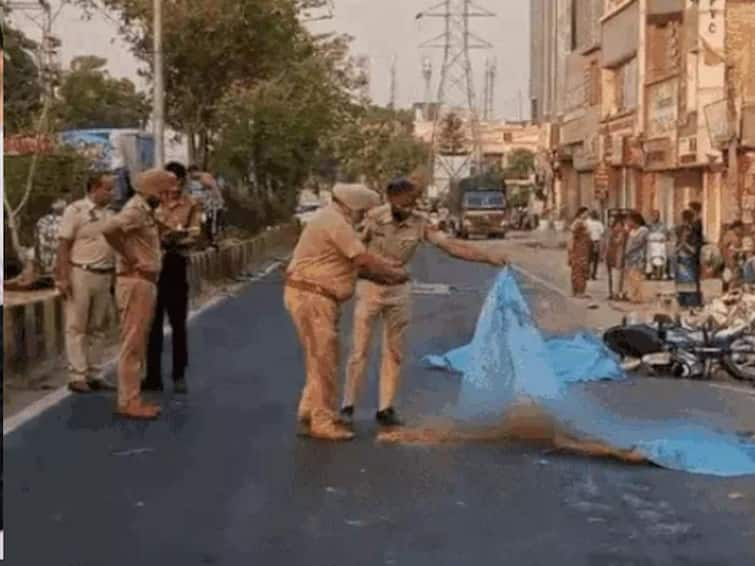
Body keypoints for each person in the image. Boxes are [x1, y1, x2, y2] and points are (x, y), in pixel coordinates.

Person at [340, 177, 508, 429]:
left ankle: (385, 408)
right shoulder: (373, 218)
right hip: (370, 288)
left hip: (399, 291)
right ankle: (347, 405)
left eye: (413, 202)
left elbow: (450, 246)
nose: (411, 206)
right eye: (406, 201)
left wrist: (488, 257)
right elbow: (351, 250)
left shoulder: (420, 223)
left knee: (394, 351)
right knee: (359, 351)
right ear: (391, 199)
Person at [285, 184, 409, 441]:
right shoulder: (336, 223)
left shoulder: (329, 219)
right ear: (354, 208)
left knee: (317, 357)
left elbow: (350, 265)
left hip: (310, 294)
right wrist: (394, 273)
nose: (365, 218)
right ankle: (323, 421)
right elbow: (362, 259)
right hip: (314, 296)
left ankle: (310, 410)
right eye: (364, 212)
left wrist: (382, 275)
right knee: (325, 359)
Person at [101, 169, 178, 419]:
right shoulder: (135, 210)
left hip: (143, 282)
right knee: (132, 344)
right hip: (136, 282)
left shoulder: (144, 210)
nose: (170, 194)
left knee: (137, 342)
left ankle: (131, 397)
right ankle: (128, 402)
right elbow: (110, 229)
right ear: (154, 189)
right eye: (166, 189)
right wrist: (131, 257)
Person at [55, 172, 117, 393]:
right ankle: (77, 374)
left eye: (112, 189)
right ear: (94, 188)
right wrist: (62, 277)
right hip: (81, 272)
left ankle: (95, 373)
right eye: (108, 189)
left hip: (104, 274)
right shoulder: (75, 211)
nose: (112, 193)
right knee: (77, 326)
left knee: (98, 327)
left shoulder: (109, 214)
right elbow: (63, 244)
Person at [144, 162, 202, 393]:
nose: (172, 185)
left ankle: (179, 375)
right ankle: (153, 376)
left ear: (182, 181)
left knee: (178, 324)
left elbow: (195, 235)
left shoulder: (191, 205)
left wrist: (176, 238)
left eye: (176, 181)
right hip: (152, 266)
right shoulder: (151, 202)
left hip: (176, 264)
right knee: (152, 324)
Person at [675, 209, 704, 308]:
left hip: (690, 262)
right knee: (681, 284)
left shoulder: (694, 234)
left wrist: (685, 244)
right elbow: (676, 249)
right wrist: (681, 244)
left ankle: (692, 303)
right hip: (681, 262)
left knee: (692, 284)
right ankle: (683, 302)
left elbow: (694, 250)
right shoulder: (679, 232)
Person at [35, 199, 67, 281]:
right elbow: (40, 239)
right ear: (52, 206)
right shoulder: (44, 221)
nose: (62, 204)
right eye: (58, 202)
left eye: (63, 202)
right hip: (49, 253)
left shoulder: (68, 219)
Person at [623, 211, 649, 304]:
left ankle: (638, 297)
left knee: (637, 277)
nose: (628, 222)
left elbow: (638, 243)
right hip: (630, 257)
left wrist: (628, 251)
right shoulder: (631, 231)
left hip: (638, 256)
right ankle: (633, 295)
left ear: (635, 220)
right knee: (631, 277)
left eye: (629, 220)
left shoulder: (643, 230)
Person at [568, 207, 592, 298]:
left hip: (583, 250)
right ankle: (579, 292)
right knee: (579, 271)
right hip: (579, 251)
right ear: (581, 213)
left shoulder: (582, 223)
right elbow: (572, 236)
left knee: (581, 270)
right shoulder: (578, 223)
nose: (587, 215)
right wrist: (571, 250)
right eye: (586, 213)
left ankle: (578, 291)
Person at [604, 214, 627, 300]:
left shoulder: (623, 232)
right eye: (610, 221)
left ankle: (618, 293)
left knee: (618, 275)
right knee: (611, 275)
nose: (617, 227)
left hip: (619, 256)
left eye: (619, 225)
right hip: (610, 255)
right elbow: (606, 243)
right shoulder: (610, 231)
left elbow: (620, 243)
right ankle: (612, 293)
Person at [720, 220, 744, 293]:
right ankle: (725, 294)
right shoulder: (729, 234)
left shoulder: (738, 236)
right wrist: (725, 259)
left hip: (735, 261)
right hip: (728, 261)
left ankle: (731, 294)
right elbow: (723, 247)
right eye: (740, 228)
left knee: (734, 280)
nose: (741, 230)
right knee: (727, 279)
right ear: (736, 227)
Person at [585, 210, 605, 280]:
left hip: (589, 242)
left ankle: (588, 274)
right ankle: (593, 274)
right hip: (595, 242)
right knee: (594, 259)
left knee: (588, 258)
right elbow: (602, 233)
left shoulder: (587, 222)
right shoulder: (599, 223)